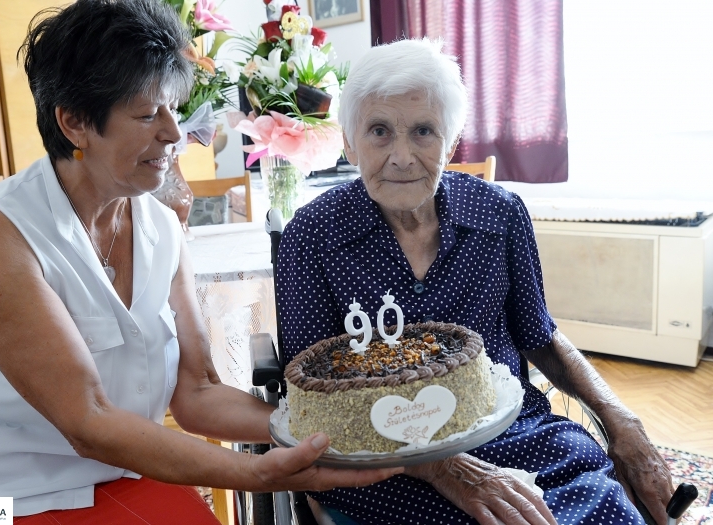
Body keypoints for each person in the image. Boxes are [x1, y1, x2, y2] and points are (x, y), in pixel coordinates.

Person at [0, 0, 401, 521]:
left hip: (109, 475)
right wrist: (257, 472)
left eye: (173, 108)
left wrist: (322, 423)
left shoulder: (160, 225)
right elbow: (88, 421)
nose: (173, 133)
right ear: (75, 122)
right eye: (148, 115)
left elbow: (197, 393)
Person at [276, 38, 674, 525]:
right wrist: (446, 469)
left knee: (602, 505)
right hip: (378, 462)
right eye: (379, 131)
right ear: (349, 143)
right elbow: (314, 395)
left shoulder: (499, 215)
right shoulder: (312, 238)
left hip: (508, 430)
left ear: (452, 138)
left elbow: (539, 336)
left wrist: (620, 418)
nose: (401, 156)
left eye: (423, 131)